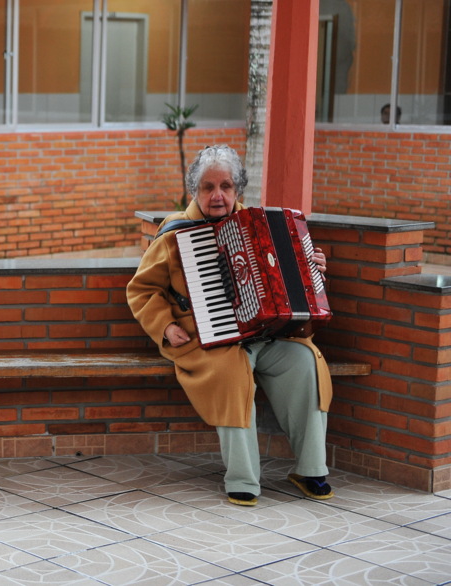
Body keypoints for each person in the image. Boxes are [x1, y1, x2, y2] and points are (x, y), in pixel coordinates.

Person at [126, 144, 334, 506]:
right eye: (208, 187)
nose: (218, 195)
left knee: (305, 363)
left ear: (238, 190)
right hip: (204, 341)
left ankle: (311, 469)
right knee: (233, 372)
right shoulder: (177, 232)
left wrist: (311, 272)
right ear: (195, 191)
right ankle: (243, 479)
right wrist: (165, 327)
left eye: (226, 186)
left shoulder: (259, 227)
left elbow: (294, 291)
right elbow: (141, 290)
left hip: (265, 336)